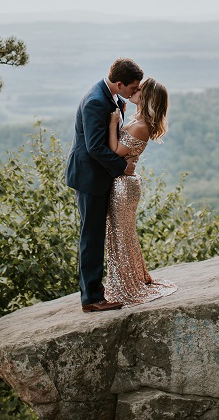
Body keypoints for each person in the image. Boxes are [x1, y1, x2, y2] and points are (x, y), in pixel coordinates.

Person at [65, 57, 143, 313]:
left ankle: (97, 292)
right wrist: (123, 167)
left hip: (99, 176)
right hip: (89, 177)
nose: (135, 92)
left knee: (97, 235)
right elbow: (95, 147)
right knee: (92, 237)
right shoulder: (96, 101)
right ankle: (91, 298)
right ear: (119, 83)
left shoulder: (110, 96)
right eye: (132, 87)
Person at [104, 77, 178, 306]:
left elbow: (115, 151)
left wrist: (112, 124)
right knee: (122, 233)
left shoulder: (140, 125)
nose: (135, 90)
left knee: (120, 234)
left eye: (140, 89)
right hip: (125, 182)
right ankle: (130, 278)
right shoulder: (138, 120)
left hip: (123, 187)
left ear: (146, 97)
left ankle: (126, 284)